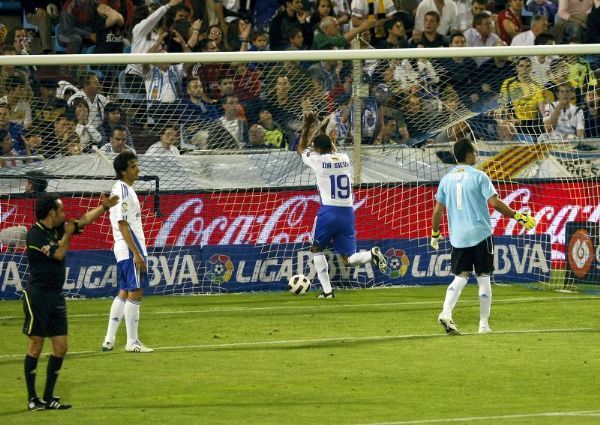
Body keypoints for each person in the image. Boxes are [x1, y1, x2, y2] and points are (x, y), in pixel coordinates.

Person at [23, 192, 119, 410]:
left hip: (56, 296)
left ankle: (48, 398)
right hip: (38, 296)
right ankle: (32, 398)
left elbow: (83, 220)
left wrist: (103, 207)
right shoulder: (35, 236)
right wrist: (66, 236)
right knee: (36, 346)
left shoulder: (58, 228)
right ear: (51, 213)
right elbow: (58, 254)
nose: (65, 215)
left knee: (61, 347)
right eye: (61, 211)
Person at [430, 138, 536, 335]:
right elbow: (494, 203)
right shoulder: (479, 176)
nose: (476, 155)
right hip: (480, 234)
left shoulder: (446, 179)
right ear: (469, 155)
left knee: (460, 276)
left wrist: (435, 233)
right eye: (475, 152)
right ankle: (484, 325)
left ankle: (446, 312)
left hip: (458, 237)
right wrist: (518, 216)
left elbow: (438, 210)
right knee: (483, 278)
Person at [297, 111, 387, 298]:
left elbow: (301, 149)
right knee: (348, 259)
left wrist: (307, 126)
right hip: (347, 212)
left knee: (316, 250)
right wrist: (321, 128)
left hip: (329, 211)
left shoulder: (318, 160)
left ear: (318, 149)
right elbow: (328, 148)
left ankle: (327, 292)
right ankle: (371, 254)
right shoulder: (344, 158)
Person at [102, 150, 153, 353]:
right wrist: (137, 254)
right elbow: (123, 224)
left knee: (124, 291)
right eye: (133, 166)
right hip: (130, 248)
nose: (137, 169)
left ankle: (109, 339)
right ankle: (132, 342)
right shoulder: (123, 190)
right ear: (124, 171)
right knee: (136, 291)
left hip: (122, 248)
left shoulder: (123, 189)